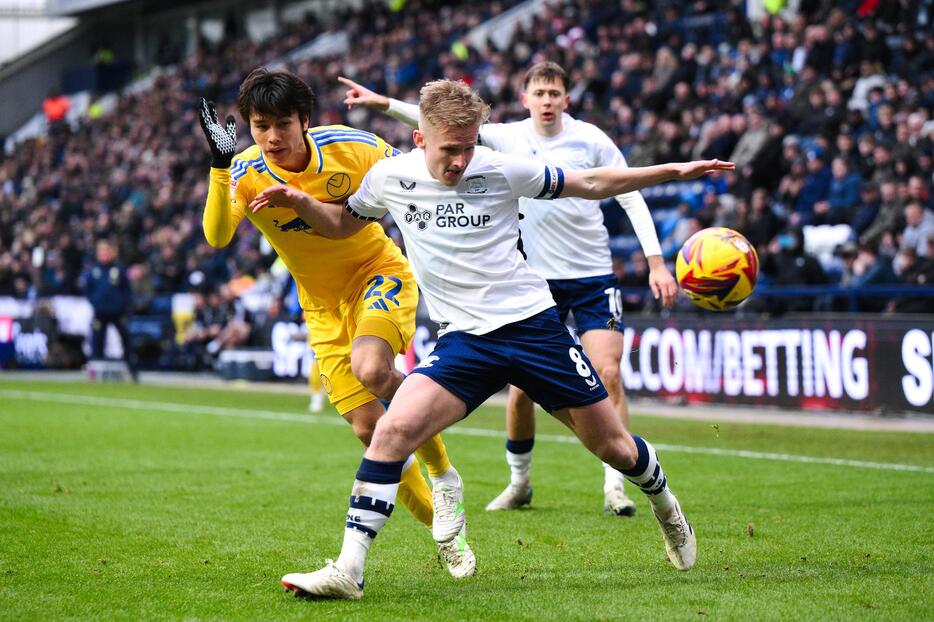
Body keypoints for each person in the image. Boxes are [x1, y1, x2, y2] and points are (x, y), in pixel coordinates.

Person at [252, 79, 733, 599]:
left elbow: (592, 182)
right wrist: (301, 202)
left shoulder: (501, 169)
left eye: (468, 147)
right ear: (419, 140)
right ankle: (349, 570)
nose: (460, 161)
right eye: (448, 150)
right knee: (391, 433)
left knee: (612, 446)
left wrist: (676, 170)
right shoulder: (389, 177)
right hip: (465, 343)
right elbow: (343, 226)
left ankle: (665, 505)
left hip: (533, 330)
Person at [337, 62, 679, 518]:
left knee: (610, 408)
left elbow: (604, 185)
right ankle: (355, 564)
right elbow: (433, 133)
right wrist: (382, 106)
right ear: (526, 98)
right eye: (540, 92)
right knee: (407, 425)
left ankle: (639, 494)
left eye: (555, 92)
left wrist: (669, 190)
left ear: (566, 98)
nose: (548, 100)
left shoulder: (565, 146)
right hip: (483, 320)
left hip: (564, 295)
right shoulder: (489, 144)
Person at [197, 68, 474, 578]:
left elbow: (419, 177)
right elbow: (216, 236)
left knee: (373, 368)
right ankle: (447, 532)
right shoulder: (243, 169)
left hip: (378, 275)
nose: (272, 137)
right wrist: (219, 164)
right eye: (260, 126)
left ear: (305, 120)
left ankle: (443, 473)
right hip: (321, 308)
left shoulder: (352, 147)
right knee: (371, 432)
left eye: (283, 124)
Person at [81, 239, 137, 381]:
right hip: (100, 312)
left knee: (126, 339)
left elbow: (127, 290)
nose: (104, 253)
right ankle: (94, 372)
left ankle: (131, 370)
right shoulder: (93, 271)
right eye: (101, 250)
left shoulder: (119, 269)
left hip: (118, 312)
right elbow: (88, 290)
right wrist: (96, 303)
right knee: (97, 341)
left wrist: (121, 304)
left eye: (106, 250)